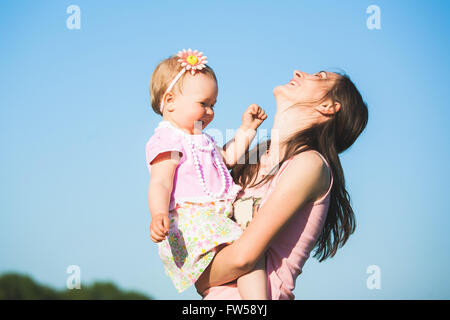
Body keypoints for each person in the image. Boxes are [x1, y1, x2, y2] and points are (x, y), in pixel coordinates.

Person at [196, 69, 369, 299]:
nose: (299, 72)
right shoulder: (254, 155)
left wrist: (198, 275)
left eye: (319, 77)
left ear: (328, 106)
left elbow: (243, 257)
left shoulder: (309, 164)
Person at [145, 49, 269, 298]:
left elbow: (228, 158)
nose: (210, 112)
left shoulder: (206, 141)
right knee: (251, 255)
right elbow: (160, 182)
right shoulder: (168, 139)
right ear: (169, 101)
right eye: (203, 104)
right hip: (192, 223)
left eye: (213, 105)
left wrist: (247, 130)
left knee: (240, 267)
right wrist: (158, 213)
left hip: (217, 220)